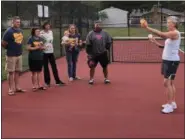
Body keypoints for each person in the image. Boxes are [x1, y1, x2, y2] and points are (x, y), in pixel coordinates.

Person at [142, 16, 181, 114]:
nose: (167, 24)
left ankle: (170, 105)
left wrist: (147, 28)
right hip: (167, 60)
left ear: (174, 24)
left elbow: (161, 34)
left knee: (168, 83)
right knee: (168, 83)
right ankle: (173, 102)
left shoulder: (175, 33)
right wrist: (154, 41)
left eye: (169, 22)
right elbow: (163, 46)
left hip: (171, 61)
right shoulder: (171, 36)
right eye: (167, 22)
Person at [2, 16, 25, 96]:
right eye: (17, 22)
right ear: (13, 22)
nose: (18, 23)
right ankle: (10, 89)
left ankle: (17, 87)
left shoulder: (20, 30)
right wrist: (9, 49)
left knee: (17, 71)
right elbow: (3, 43)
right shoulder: (8, 31)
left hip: (19, 54)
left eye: (19, 22)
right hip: (11, 55)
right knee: (11, 72)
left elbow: (20, 41)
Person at [40, 22, 65, 87]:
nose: (48, 26)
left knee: (54, 67)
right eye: (47, 25)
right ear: (44, 26)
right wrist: (43, 47)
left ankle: (57, 81)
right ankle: (47, 82)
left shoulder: (51, 32)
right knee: (46, 68)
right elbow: (40, 42)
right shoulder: (41, 33)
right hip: (44, 52)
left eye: (49, 25)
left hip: (51, 51)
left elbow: (51, 41)